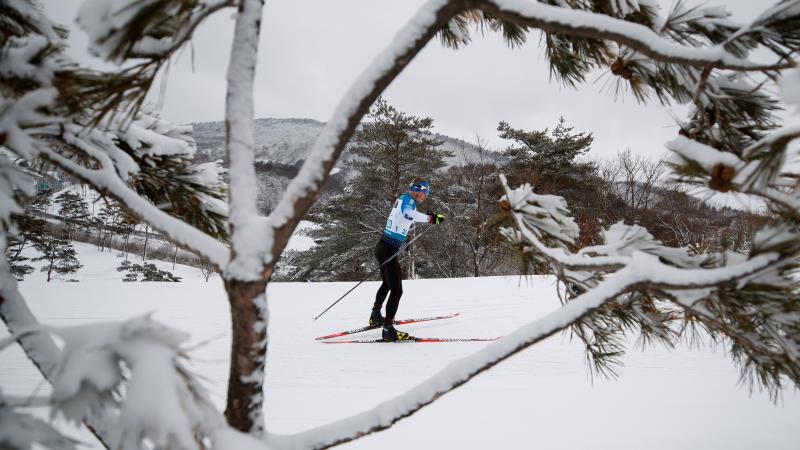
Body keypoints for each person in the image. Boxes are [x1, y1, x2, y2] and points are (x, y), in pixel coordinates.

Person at [370, 178, 445, 341]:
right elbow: (408, 214)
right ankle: (388, 329)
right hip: (387, 250)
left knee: (388, 284)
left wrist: (428, 217)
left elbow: (407, 216)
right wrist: (430, 219)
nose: (425, 196)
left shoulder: (405, 199)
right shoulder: (409, 201)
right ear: (418, 190)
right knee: (397, 290)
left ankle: (375, 315)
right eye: (425, 192)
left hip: (383, 248)